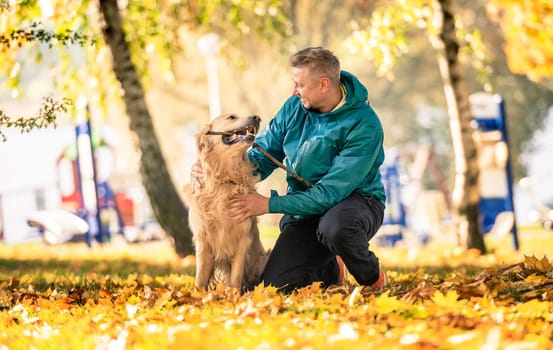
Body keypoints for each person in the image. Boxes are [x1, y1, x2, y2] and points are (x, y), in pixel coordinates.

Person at [192, 47, 387, 294]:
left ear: (324, 84)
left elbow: (329, 194)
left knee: (335, 228)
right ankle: (332, 267)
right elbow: (262, 155)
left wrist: (268, 204)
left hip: (355, 203)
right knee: (275, 286)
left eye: (300, 84)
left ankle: (371, 277)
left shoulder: (364, 124)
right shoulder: (295, 107)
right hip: (305, 211)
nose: (294, 91)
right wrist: (214, 169)